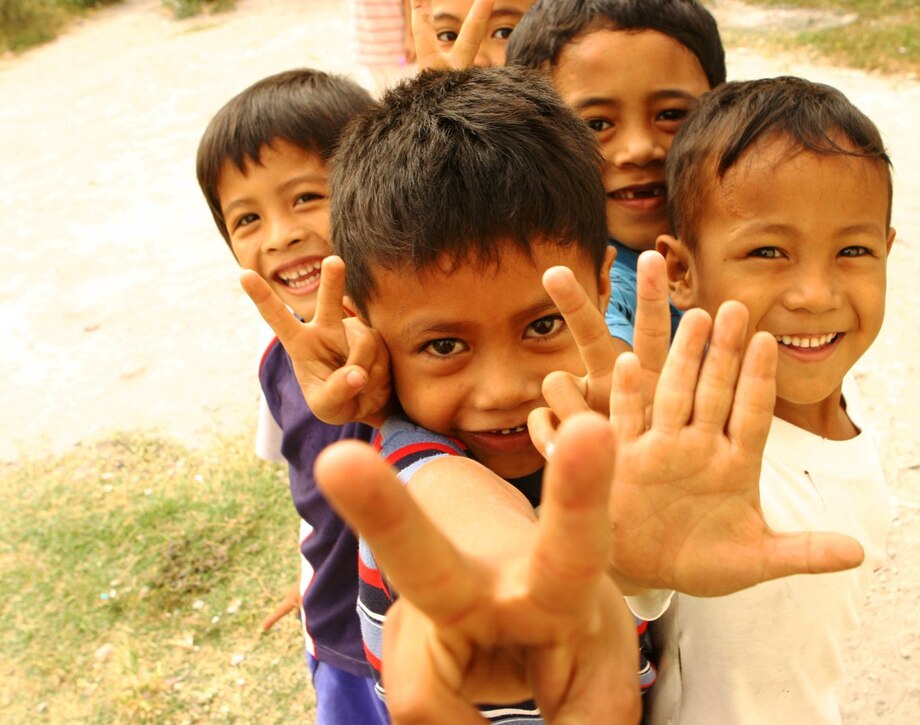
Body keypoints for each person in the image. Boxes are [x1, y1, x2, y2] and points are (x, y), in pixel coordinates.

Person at [240, 64, 862, 721]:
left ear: (600, 286)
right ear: (368, 323)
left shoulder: (622, 437)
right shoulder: (414, 458)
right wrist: (515, 583)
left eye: (542, 325)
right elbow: (460, 509)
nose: (504, 389)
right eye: (445, 346)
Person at [646, 75, 898, 724]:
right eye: (767, 251)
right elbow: (629, 582)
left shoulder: (852, 403)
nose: (815, 293)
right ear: (682, 272)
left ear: (888, 251)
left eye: (853, 250)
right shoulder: (687, 452)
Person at [194, 69, 390, 724]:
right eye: (247, 218)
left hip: (427, 649)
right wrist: (314, 578)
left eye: (306, 197)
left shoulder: (423, 346)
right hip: (336, 645)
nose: (278, 235)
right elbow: (309, 496)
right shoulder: (276, 363)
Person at [505, 0, 725, 351]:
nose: (639, 150)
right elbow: (600, 335)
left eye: (671, 114)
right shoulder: (587, 279)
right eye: (596, 124)